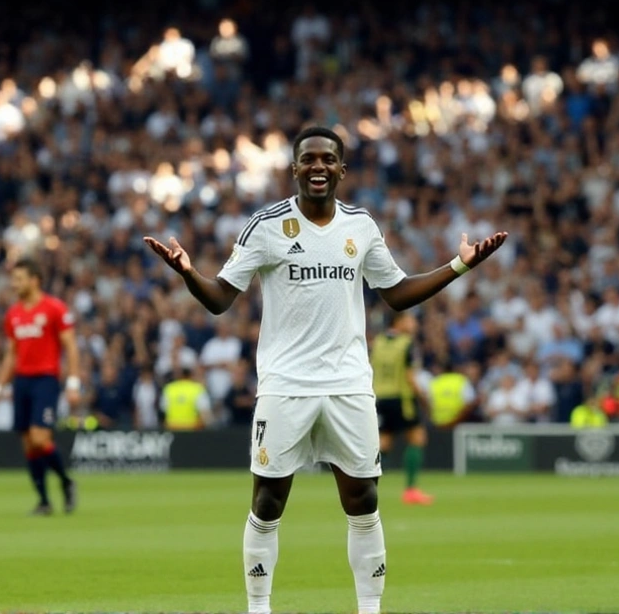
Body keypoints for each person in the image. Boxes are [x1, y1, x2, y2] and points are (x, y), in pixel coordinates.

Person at [145, 126, 507, 614]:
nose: (318, 166)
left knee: (363, 500)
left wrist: (458, 267)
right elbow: (219, 300)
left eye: (327, 160)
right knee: (268, 502)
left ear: (342, 170)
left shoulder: (361, 226)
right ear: (294, 169)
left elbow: (397, 293)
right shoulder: (266, 226)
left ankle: (370, 610)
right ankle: (258, 609)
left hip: (349, 386)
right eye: (308, 159)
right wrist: (189, 273)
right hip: (286, 386)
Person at [0, 259, 81, 516]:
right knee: (28, 443)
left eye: (19, 279)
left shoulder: (54, 308)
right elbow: (11, 356)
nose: (14, 284)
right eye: (13, 279)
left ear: (35, 280)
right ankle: (44, 501)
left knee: (40, 437)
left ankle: (66, 481)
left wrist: (73, 383)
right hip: (21, 381)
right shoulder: (13, 314)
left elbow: (70, 347)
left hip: (46, 380)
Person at [371, 311, 434, 505]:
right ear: (399, 322)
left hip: (380, 397)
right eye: (409, 319)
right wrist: (424, 398)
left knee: (384, 443)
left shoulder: (378, 342)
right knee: (417, 438)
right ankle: (411, 490)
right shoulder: (407, 343)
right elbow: (409, 376)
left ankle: (362, 482)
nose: (413, 323)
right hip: (402, 397)